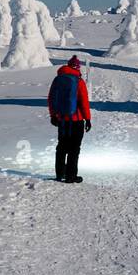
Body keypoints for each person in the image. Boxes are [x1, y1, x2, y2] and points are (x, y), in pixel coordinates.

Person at [47, 55, 91, 183]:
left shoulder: (57, 79)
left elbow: (51, 99)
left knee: (61, 147)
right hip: (76, 120)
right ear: (77, 67)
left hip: (62, 120)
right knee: (74, 148)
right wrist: (87, 119)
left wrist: (53, 116)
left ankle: (60, 174)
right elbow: (84, 102)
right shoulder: (79, 81)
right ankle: (71, 176)